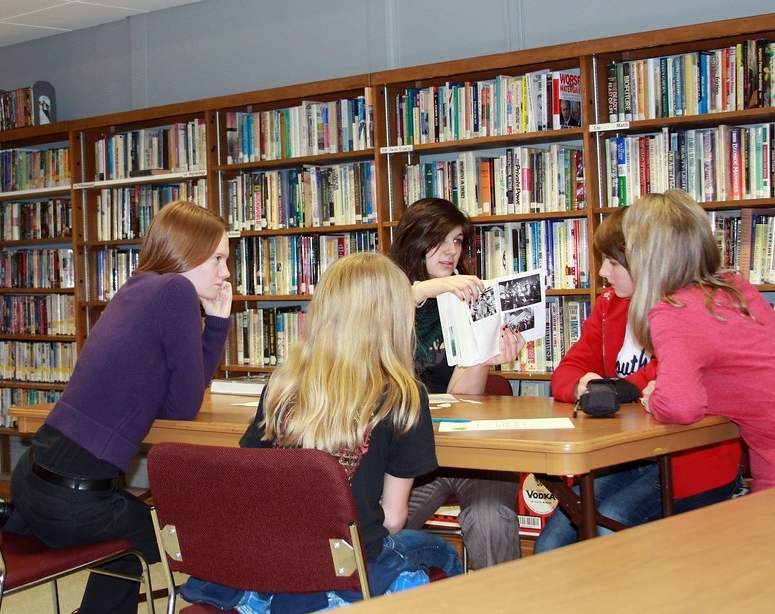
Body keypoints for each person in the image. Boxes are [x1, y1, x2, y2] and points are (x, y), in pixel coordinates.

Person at [184, 253, 463, 612]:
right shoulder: (404, 396)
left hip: (271, 562)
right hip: (349, 565)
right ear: (394, 318)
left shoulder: (281, 386)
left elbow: (254, 479)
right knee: (443, 553)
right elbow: (392, 519)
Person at [3, 200, 232, 614]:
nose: (225, 272)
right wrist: (216, 323)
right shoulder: (176, 291)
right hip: (74, 506)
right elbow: (182, 407)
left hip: (30, 487)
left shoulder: (140, 284)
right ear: (188, 251)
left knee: (130, 538)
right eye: (217, 258)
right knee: (179, 540)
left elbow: (164, 396)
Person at [535, 206, 742, 552]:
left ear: (643, 262)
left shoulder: (687, 309)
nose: (603, 272)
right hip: (626, 456)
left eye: (613, 263)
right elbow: (566, 372)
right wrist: (584, 385)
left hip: (691, 460)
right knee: (553, 541)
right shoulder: (608, 307)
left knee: (611, 524)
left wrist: (614, 388)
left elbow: (668, 374)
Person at [624, 189, 775, 492]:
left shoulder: (674, 311)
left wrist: (658, 398)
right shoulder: (735, 289)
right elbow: (742, 378)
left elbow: (681, 407)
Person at [388, 197, 526, 570]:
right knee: (380, 530)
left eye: (458, 240)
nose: (452, 250)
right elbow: (367, 324)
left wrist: (484, 356)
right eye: (441, 239)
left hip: (469, 454)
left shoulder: (468, 298)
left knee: (490, 519)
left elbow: (459, 398)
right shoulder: (388, 292)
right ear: (415, 238)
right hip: (410, 455)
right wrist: (426, 290)